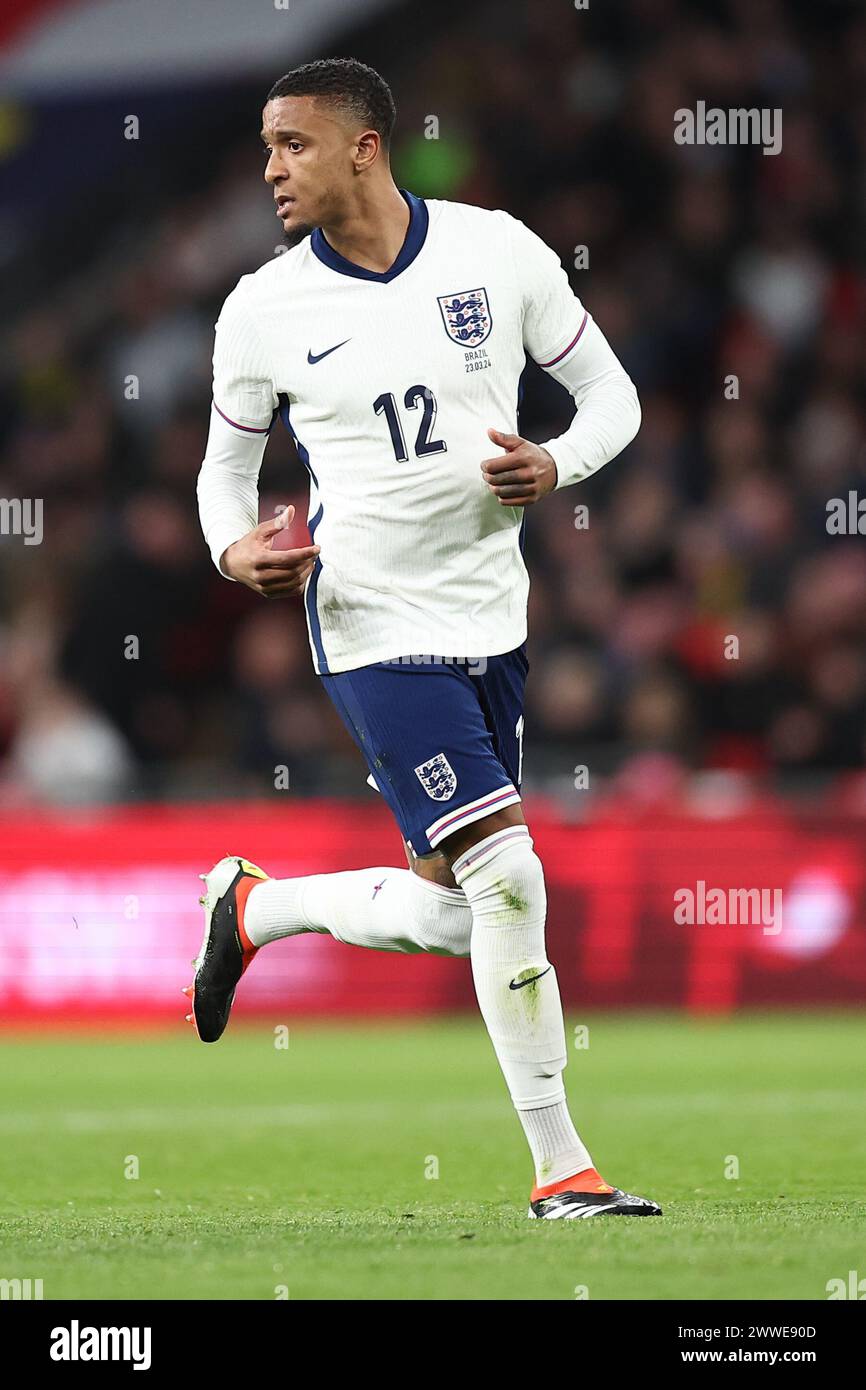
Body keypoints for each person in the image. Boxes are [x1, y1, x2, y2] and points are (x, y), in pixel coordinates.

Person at [193, 57, 659, 1220]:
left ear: (364, 147)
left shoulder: (495, 251)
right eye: (264, 146)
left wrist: (556, 463)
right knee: (510, 868)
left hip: (490, 617)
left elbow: (613, 399)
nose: (269, 170)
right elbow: (223, 472)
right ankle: (563, 1171)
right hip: (367, 620)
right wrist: (230, 550)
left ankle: (257, 907)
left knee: (466, 906)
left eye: (291, 145)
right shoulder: (261, 308)